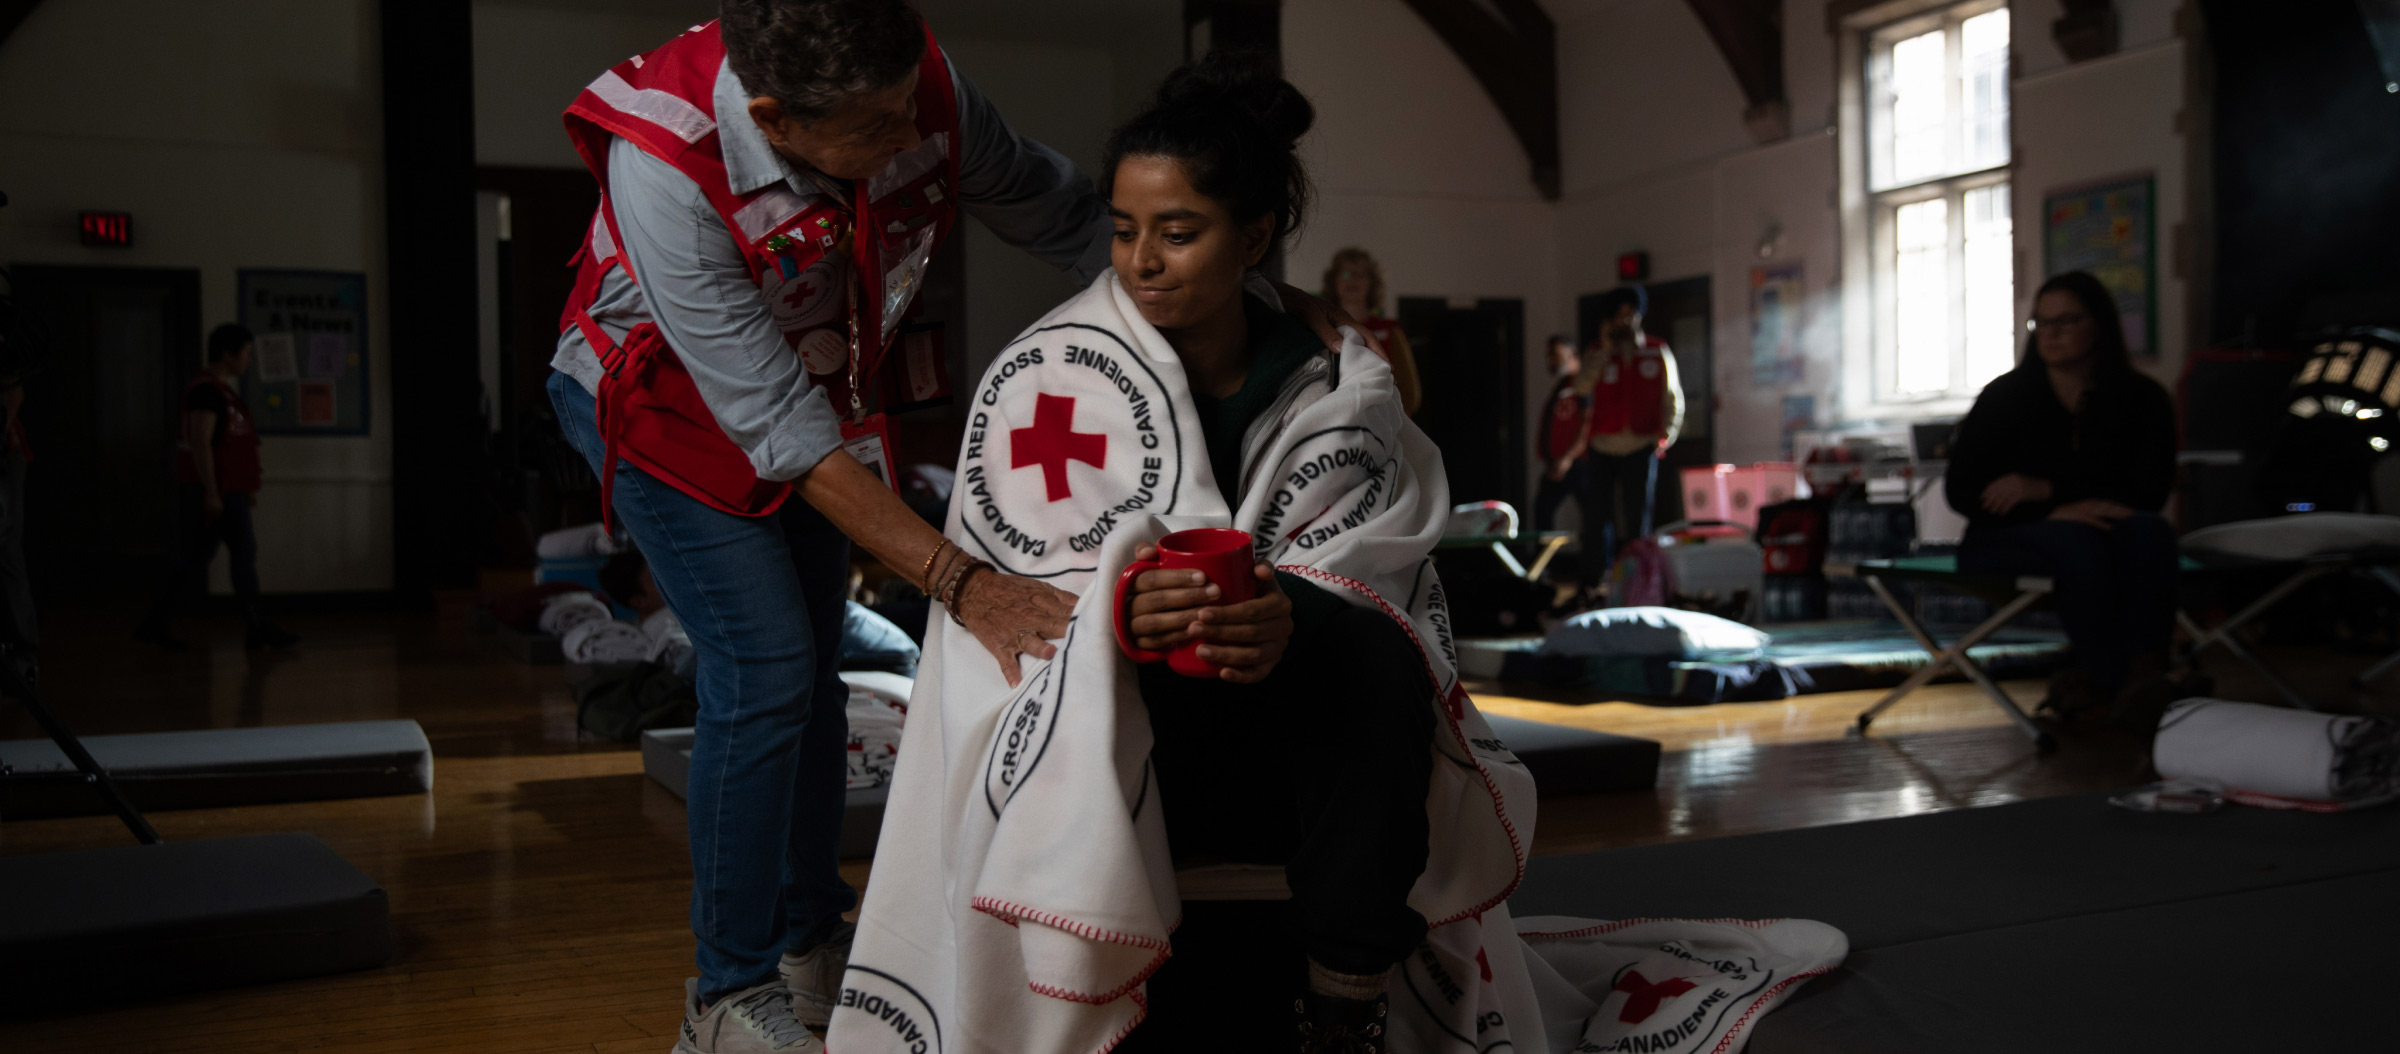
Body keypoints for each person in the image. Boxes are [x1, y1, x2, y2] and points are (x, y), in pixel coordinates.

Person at [545, 5, 1357, 1051]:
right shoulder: (661, 163)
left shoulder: (917, 89)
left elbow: (1067, 216)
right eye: (876, 135)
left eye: (910, 114)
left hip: (805, 387)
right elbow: (777, 432)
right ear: (772, 119)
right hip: (667, 412)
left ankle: (806, 939)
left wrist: (1258, 298)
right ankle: (723, 992)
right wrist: (965, 583)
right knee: (766, 667)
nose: (908, 145)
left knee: (813, 676)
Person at [1106, 60, 1436, 1050]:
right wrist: (1119, 608)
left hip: (1289, 693)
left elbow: (1377, 558)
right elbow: (1029, 562)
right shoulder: (1067, 375)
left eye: (1178, 230)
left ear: (1251, 239)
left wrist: (1291, 607)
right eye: (1123, 230)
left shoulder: (1335, 386)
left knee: (1376, 658)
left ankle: (1345, 1000)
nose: (1143, 262)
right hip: (1143, 696)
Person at [1946, 270, 2186, 727]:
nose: (2051, 334)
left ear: (2099, 324)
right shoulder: (2004, 398)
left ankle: (2145, 673)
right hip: (2004, 538)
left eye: (2067, 321)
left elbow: (2148, 491)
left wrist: (2048, 490)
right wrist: (2052, 509)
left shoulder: (2142, 399)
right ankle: (2121, 684)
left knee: (2149, 533)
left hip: (2104, 529)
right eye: (2041, 323)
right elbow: (1963, 491)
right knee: (2076, 542)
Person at [135, 323, 298, 652]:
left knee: (197, 558)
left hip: (227, 489)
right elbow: (200, 441)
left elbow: (235, 445)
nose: (249, 361)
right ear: (228, 355)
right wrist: (211, 491)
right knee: (240, 554)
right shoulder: (205, 391)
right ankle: (257, 627)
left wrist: (246, 485)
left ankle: (155, 622)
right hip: (216, 491)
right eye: (247, 354)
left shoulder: (223, 392)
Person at [1577, 286, 1684, 575]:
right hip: (1602, 446)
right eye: (1620, 315)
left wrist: (1664, 438)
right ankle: (1595, 581)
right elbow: (1581, 387)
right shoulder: (1597, 352)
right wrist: (1603, 351)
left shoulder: (1656, 348)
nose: (1626, 320)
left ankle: (1637, 579)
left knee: (1638, 518)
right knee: (1597, 518)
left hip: (1641, 445)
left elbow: (1672, 398)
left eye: (1631, 314)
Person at [1320, 246, 1421, 414]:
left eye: (1360, 274)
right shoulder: (1321, 329)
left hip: (1383, 422)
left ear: (1371, 283)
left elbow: (1410, 393)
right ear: (1334, 281)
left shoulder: (1390, 330)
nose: (1352, 278)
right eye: (1345, 273)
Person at [1532, 333, 1591, 542]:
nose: (1551, 361)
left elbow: (1587, 424)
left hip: (1579, 463)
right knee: (1542, 511)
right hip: (1555, 463)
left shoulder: (1582, 383)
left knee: (1593, 515)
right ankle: (1544, 568)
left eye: (1556, 355)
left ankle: (1599, 566)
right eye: (1549, 356)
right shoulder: (1561, 386)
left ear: (1571, 354)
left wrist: (1568, 458)